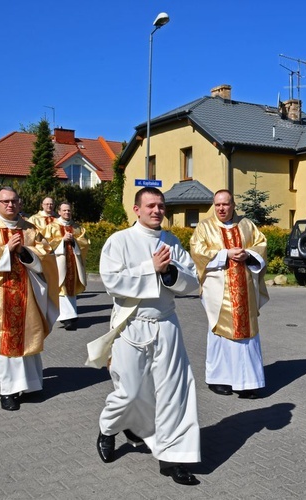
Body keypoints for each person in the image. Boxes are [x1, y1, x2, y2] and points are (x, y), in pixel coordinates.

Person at [94, 187, 201, 486]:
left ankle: (174, 457)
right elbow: (112, 282)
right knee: (128, 390)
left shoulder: (172, 242)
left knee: (175, 393)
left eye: (161, 206)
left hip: (166, 324)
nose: (157, 211)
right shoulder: (120, 241)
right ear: (136, 209)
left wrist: (169, 275)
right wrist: (150, 269)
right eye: (151, 206)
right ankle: (108, 428)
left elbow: (192, 280)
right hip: (131, 325)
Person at [0, 187, 59, 411]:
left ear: (20, 203)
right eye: (5, 201)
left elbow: (46, 254)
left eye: (14, 201)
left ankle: (32, 385)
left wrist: (25, 251)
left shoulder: (30, 228)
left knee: (29, 334)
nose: (10, 205)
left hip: (27, 291)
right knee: (4, 341)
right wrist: (4, 250)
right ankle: (7, 391)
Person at [189, 189, 269, 399]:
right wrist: (226, 254)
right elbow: (197, 252)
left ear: (233, 205)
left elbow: (261, 244)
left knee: (247, 337)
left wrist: (248, 254)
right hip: (217, 291)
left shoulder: (247, 225)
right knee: (220, 335)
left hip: (244, 288)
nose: (221, 208)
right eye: (217, 205)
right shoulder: (205, 227)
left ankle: (247, 382)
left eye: (225, 204)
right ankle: (219, 379)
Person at [42, 201, 89, 330]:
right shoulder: (52, 226)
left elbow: (85, 242)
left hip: (73, 263)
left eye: (69, 210)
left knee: (71, 288)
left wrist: (74, 240)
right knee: (62, 288)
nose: (67, 213)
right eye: (64, 210)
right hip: (59, 263)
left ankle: (70, 315)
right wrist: (62, 240)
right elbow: (45, 244)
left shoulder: (77, 227)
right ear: (59, 212)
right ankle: (68, 317)